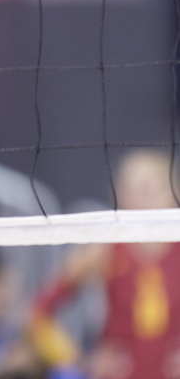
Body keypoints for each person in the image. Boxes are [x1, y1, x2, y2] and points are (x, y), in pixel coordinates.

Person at [30, 150, 180, 379]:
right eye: (135, 189)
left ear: (173, 191)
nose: (144, 197)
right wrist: (78, 360)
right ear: (120, 194)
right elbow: (38, 313)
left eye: (151, 187)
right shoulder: (104, 250)